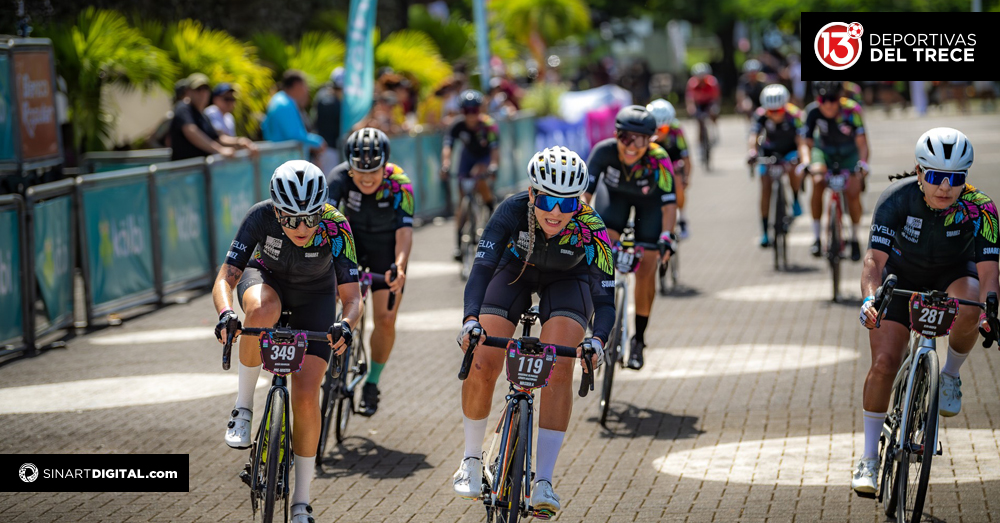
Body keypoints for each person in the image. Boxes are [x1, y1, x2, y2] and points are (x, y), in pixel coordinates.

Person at [453, 147, 610, 518]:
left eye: (568, 204)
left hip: (568, 280)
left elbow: (605, 300)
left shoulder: (592, 226)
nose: (556, 212)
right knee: (483, 358)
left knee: (559, 368)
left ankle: (544, 480)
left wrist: (598, 341)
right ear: (532, 193)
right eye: (548, 200)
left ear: (580, 202)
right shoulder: (510, 210)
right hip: (514, 270)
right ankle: (471, 459)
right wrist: (470, 321)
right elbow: (481, 270)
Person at [213, 160, 362, 523]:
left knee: (307, 393)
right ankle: (244, 407)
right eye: (290, 218)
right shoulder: (259, 217)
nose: (301, 227)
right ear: (276, 208)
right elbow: (225, 278)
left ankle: (301, 501)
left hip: (316, 297)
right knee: (261, 311)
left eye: (310, 218)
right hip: (267, 281)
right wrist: (225, 313)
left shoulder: (336, 225)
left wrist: (345, 324)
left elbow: (353, 297)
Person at [854, 128, 999, 495]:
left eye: (956, 179)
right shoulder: (896, 199)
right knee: (885, 363)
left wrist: (990, 310)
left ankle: (949, 374)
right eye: (935, 176)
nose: (945, 187)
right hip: (900, 280)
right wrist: (870, 299)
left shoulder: (981, 208)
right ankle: (869, 458)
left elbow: (988, 273)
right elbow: (874, 260)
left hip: (953, 277)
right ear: (919, 172)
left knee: (971, 301)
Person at [326, 128, 413, 416]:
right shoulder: (338, 178)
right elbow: (324, 223)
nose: (365, 177)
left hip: (386, 252)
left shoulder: (399, 183)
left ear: (384, 165)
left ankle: (372, 382)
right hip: (349, 244)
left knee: (385, 319)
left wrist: (399, 266)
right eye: (358, 170)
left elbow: (404, 232)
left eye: (373, 172)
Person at [584, 105, 676, 370]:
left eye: (641, 140)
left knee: (647, 266)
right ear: (616, 135)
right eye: (626, 138)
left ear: (652, 139)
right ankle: (599, 322)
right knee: (600, 253)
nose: (632, 146)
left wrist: (667, 236)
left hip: (649, 207)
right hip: (615, 202)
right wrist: (582, 227)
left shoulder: (659, 158)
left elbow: (669, 205)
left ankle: (638, 340)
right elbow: (585, 197)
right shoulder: (603, 151)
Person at [800, 80, 870, 261]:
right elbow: (806, 143)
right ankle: (816, 237)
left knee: (853, 192)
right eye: (824, 100)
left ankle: (854, 238)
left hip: (848, 154)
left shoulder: (852, 110)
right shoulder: (812, 111)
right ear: (817, 99)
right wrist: (806, 162)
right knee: (817, 181)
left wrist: (863, 163)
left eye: (833, 99)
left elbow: (862, 142)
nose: (829, 104)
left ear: (840, 97)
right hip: (823, 152)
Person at [746, 84, 810, 247]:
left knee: (793, 168)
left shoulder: (795, 115)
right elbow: (754, 136)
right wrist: (752, 152)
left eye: (779, 111)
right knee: (765, 187)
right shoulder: (760, 115)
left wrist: (803, 160)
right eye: (771, 111)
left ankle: (796, 199)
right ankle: (765, 231)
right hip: (769, 151)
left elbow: (802, 142)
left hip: (790, 150)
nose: (774, 115)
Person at [441, 89, 500, 260]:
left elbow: (495, 151)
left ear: (480, 110)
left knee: (479, 178)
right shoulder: (457, 125)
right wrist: (446, 164)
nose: (471, 115)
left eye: (474, 110)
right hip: (466, 158)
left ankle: (489, 206)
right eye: (467, 111)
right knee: (461, 201)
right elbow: (448, 147)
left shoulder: (489, 125)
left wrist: (493, 166)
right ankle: (458, 245)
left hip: (484, 158)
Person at [170, 73, 256, 161]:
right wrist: (219, 150)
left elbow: (217, 138)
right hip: (184, 171)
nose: (202, 93)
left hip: (201, 171)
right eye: (198, 89)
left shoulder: (203, 115)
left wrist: (240, 142)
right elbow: (190, 130)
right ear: (188, 91)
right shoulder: (183, 108)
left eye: (205, 89)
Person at [647, 99, 692, 239]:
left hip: (673, 160)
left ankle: (682, 218)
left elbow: (687, 158)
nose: (659, 132)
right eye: (656, 129)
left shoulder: (676, 130)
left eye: (663, 129)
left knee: (677, 181)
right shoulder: (646, 129)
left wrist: (686, 179)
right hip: (654, 159)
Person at [262, 70, 326, 159]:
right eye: (305, 86)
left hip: (278, 158)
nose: (306, 90)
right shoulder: (284, 104)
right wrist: (318, 142)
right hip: (282, 159)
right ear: (297, 85)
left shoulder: (280, 99)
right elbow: (294, 135)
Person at [685, 63, 721, 168]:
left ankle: (715, 130)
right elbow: (690, 100)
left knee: (713, 112)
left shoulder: (712, 83)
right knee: (699, 122)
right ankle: (701, 145)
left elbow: (716, 98)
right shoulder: (692, 84)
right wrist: (691, 109)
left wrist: (714, 108)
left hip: (709, 102)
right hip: (699, 104)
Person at [313, 67, 344, 175]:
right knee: (328, 183)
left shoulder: (321, 95)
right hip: (329, 149)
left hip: (323, 147)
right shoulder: (333, 103)